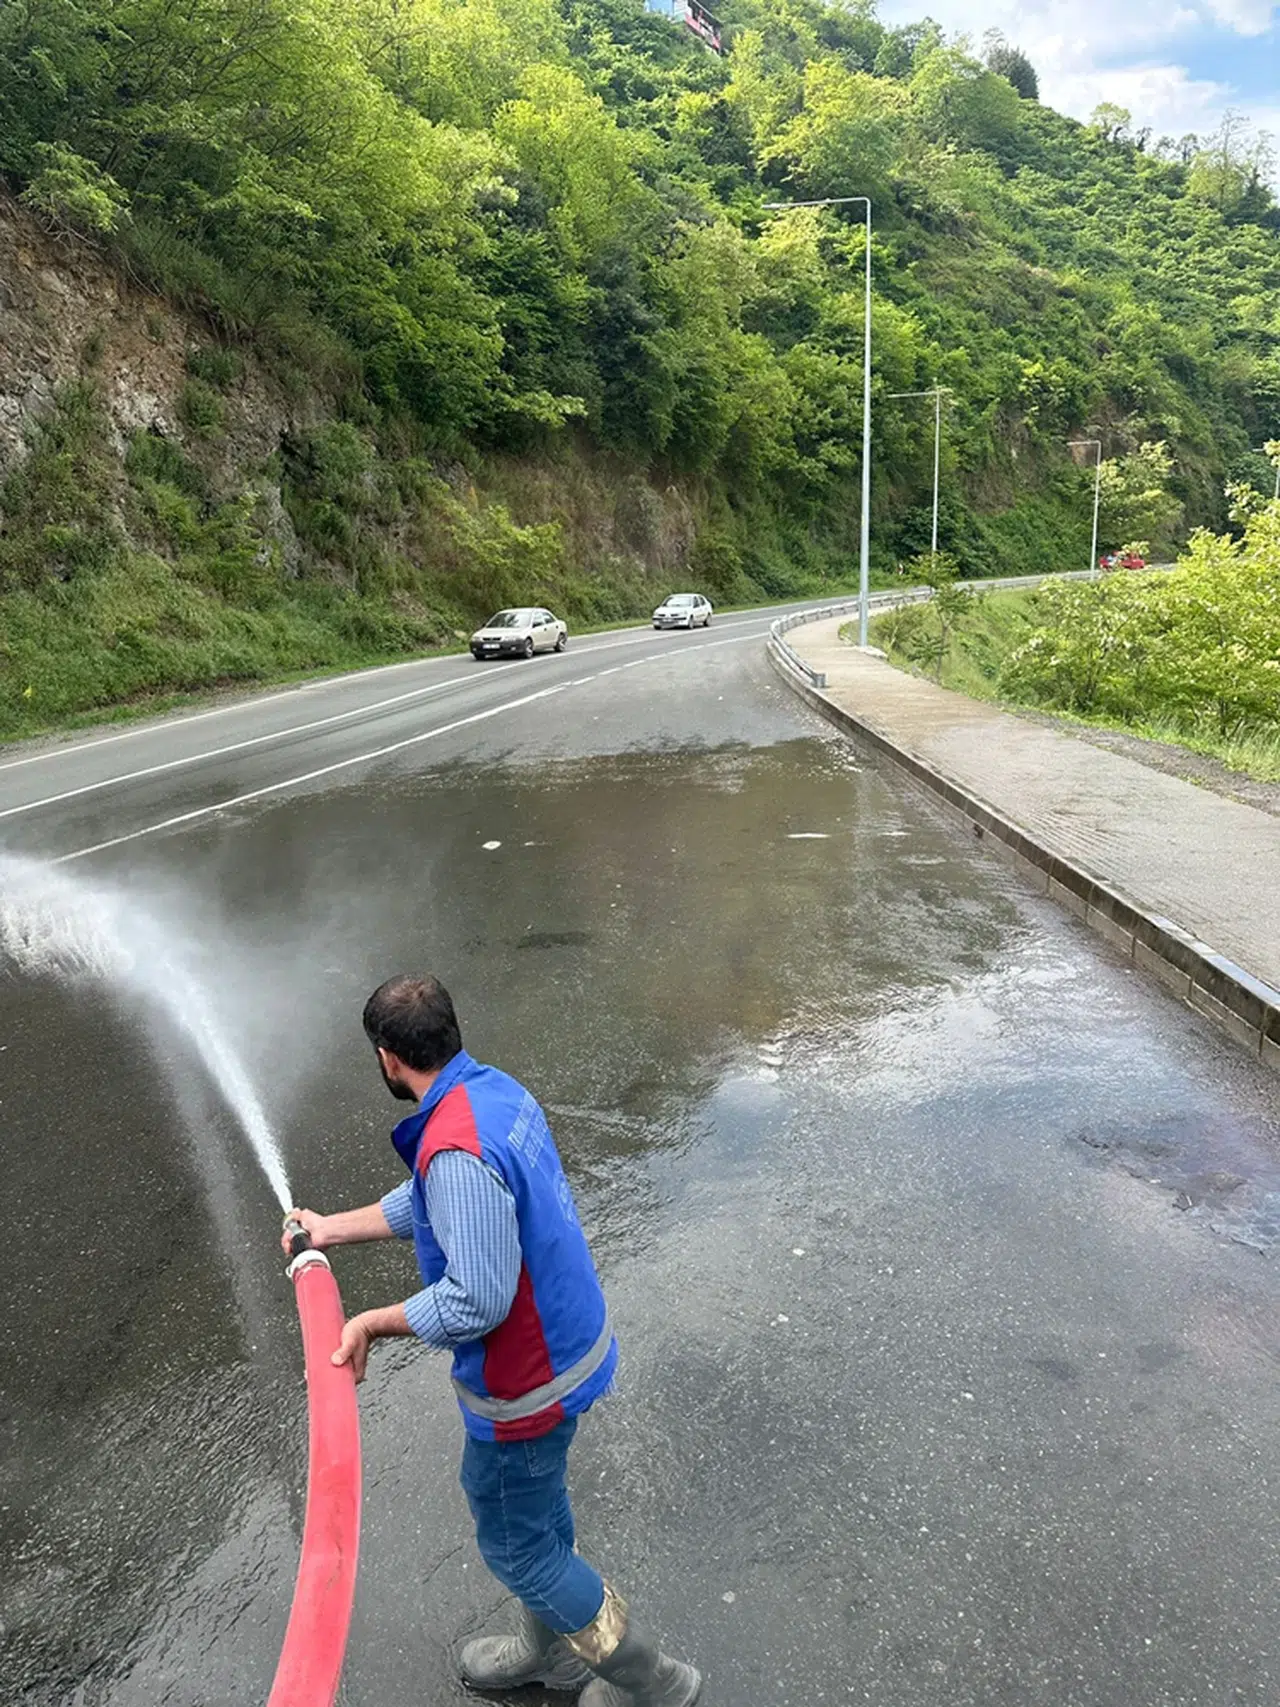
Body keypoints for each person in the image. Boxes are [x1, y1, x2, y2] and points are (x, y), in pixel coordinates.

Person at [284, 974, 700, 1707]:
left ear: (388, 1057)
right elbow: (434, 1197)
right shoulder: (487, 1093)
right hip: (571, 1346)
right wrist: (330, 1229)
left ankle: (655, 1683)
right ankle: (556, 1654)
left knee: (518, 1543)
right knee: (535, 1518)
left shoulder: (455, 1147)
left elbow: (477, 1296)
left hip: (531, 1380)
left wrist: (371, 1321)